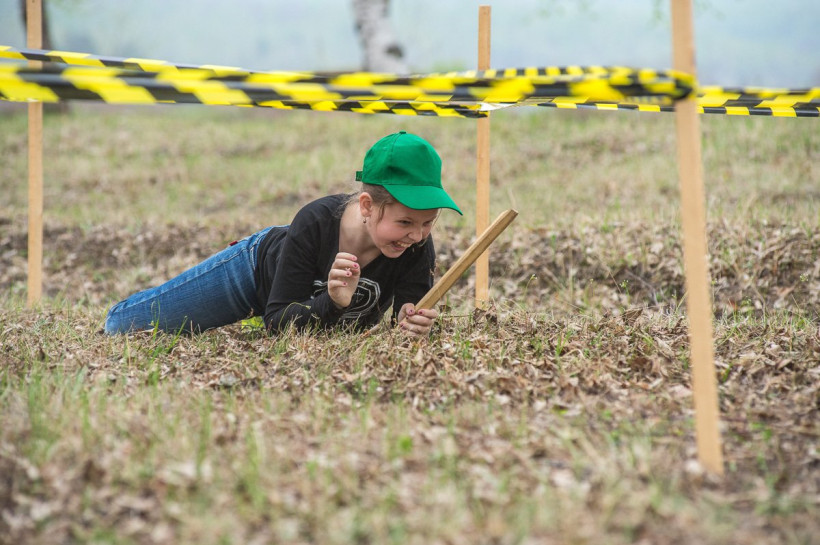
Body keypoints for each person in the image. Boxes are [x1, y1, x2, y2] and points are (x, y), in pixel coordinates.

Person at [104, 130, 462, 337]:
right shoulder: (316, 221)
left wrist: (412, 323)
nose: (417, 235)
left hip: (302, 307)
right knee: (124, 325)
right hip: (254, 273)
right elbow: (276, 322)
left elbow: (406, 316)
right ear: (367, 205)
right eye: (405, 223)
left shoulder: (417, 245)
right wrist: (333, 302)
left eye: (428, 222)